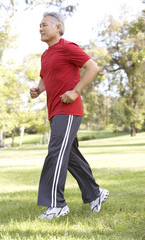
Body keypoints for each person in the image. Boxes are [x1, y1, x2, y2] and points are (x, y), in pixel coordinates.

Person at [30, 12, 109, 220]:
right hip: (54, 111)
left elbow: (93, 67)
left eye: (44, 25)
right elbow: (45, 78)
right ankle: (95, 193)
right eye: (39, 25)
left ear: (58, 27)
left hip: (69, 110)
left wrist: (76, 90)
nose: (40, 28)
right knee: (71, 156)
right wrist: (38, 90)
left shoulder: (67, 47)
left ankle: (57, 204)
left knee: (56, 152)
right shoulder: (46, 54)